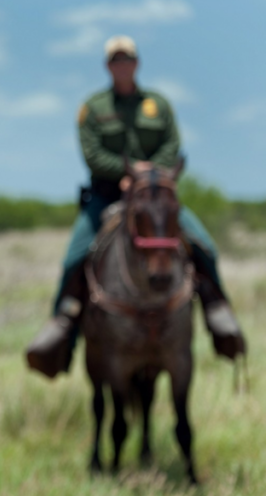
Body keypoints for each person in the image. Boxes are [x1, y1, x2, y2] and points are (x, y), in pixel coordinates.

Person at [26, 35, 246, 378]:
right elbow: (93, 153)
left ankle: (218, 314)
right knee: (75, 256)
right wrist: (123, 173)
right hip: (106, 196)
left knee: (204, 244)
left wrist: (147, 176)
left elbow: (172, 145)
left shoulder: (159, 104)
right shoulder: (93, 107)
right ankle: (62, 328)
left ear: (137, 63)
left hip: (155, 197)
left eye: (127, 59)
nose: (122, 65)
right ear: (108, 66)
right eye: (116, 60)